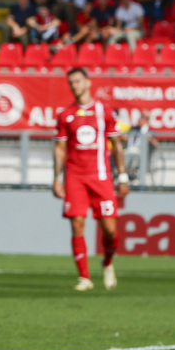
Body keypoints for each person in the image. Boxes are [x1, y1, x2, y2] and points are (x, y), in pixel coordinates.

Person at [52, 68, 130, 292]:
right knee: (77, 223)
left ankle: (107, 263)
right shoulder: (66, 115)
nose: (74, 85)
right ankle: (84, 278)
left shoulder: (103, 111)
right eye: (71, 82)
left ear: (88, 82)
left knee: (110, 230)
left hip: (101, 177)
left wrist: (122, 176)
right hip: (75, 176)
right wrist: (56, 178)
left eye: (77, 81)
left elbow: (117, 146)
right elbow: (60, 148)